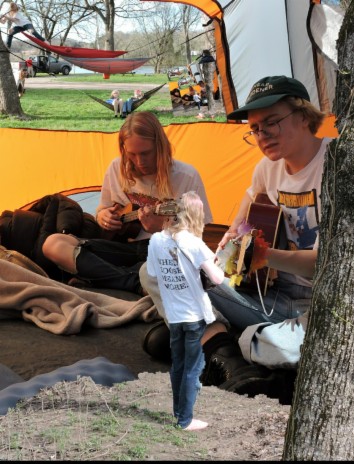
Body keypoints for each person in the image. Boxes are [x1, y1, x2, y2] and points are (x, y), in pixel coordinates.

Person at [141, 75, 331, 404]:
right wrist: (218, 257)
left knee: (259, 343)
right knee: (155, 269)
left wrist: (263, 256)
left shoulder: (336, 166)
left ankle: (207, 339)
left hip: (318, 307)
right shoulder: (267, 171)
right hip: (270, 295)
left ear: (303, 115)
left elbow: (328, 266)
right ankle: (219, 348)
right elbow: (236, 231)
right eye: (254, 128)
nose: (262, 135)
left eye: (271, 122)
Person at [42, 111, 213, 295]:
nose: (140, 161)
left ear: (160, 146)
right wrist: (103, 217)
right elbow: (102, 209)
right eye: (132, 154)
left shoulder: (186, 176)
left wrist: (162, 229)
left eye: (146, 153)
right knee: (52, 244)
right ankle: (135, 283)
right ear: (123, 149)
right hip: (123, 249)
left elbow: (197, 241)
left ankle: (105, 277)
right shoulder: (117, 168)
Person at [147, 191, 224, 431]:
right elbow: (218, 279)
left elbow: (151, 273)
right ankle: (185, 420)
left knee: (178, 365)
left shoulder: (157, 241)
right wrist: (212, 262)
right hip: (193, 314)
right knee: (194, 368)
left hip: (173, 314)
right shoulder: (193, 242)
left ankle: (178, 412)